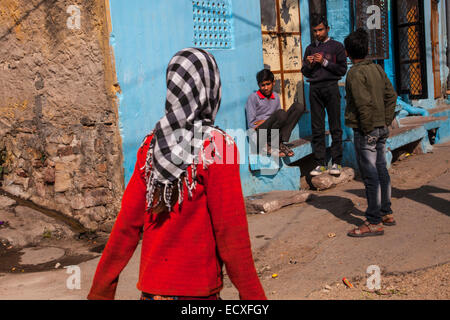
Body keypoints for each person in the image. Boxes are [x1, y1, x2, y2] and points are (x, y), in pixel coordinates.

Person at [87, 48, 266, 300]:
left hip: (151, 294)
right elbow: (232, 239)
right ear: (210, 88)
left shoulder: (150, 147)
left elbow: (126, 228)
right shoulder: (217, 147)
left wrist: (100, 293)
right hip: (197, 296)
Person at [344, 29, 397, 237]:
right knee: (381, 168)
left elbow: (362, 104)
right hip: (381, 128)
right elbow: (391, 96)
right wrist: (384, 121)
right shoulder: (377, 70)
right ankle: (386, 212)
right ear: (366, 50)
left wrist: (368, 129)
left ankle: (374, 221)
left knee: (371, 174)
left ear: (348, 53)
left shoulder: (355, 74)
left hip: (367, 130)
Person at [301, 14, 347, 176]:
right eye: (315, 31)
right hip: (315, 88)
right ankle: (320, 163)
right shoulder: (309, 48)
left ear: (327, 29)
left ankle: (337, 162)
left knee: (335, 125)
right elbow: (304, 71)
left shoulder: (337, 47)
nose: (318, 33)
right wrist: (309, 64)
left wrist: (324, 62)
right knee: (317, 127)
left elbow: (342, 70)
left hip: (331, 87)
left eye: (320, 30)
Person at [245, 69, 305, 157]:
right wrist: (266, 121)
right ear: (259, 85)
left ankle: (279, 142)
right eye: (262, 85)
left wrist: (264, 120)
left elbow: (280, 119)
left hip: (273, 132)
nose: (265, 88)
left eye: (268, 84)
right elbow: (252, 125)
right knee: (281, 113)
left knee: (298, 107)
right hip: (261, 135)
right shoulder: (253, 98)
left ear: (273, 83)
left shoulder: (275, 96)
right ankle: (272, 144)